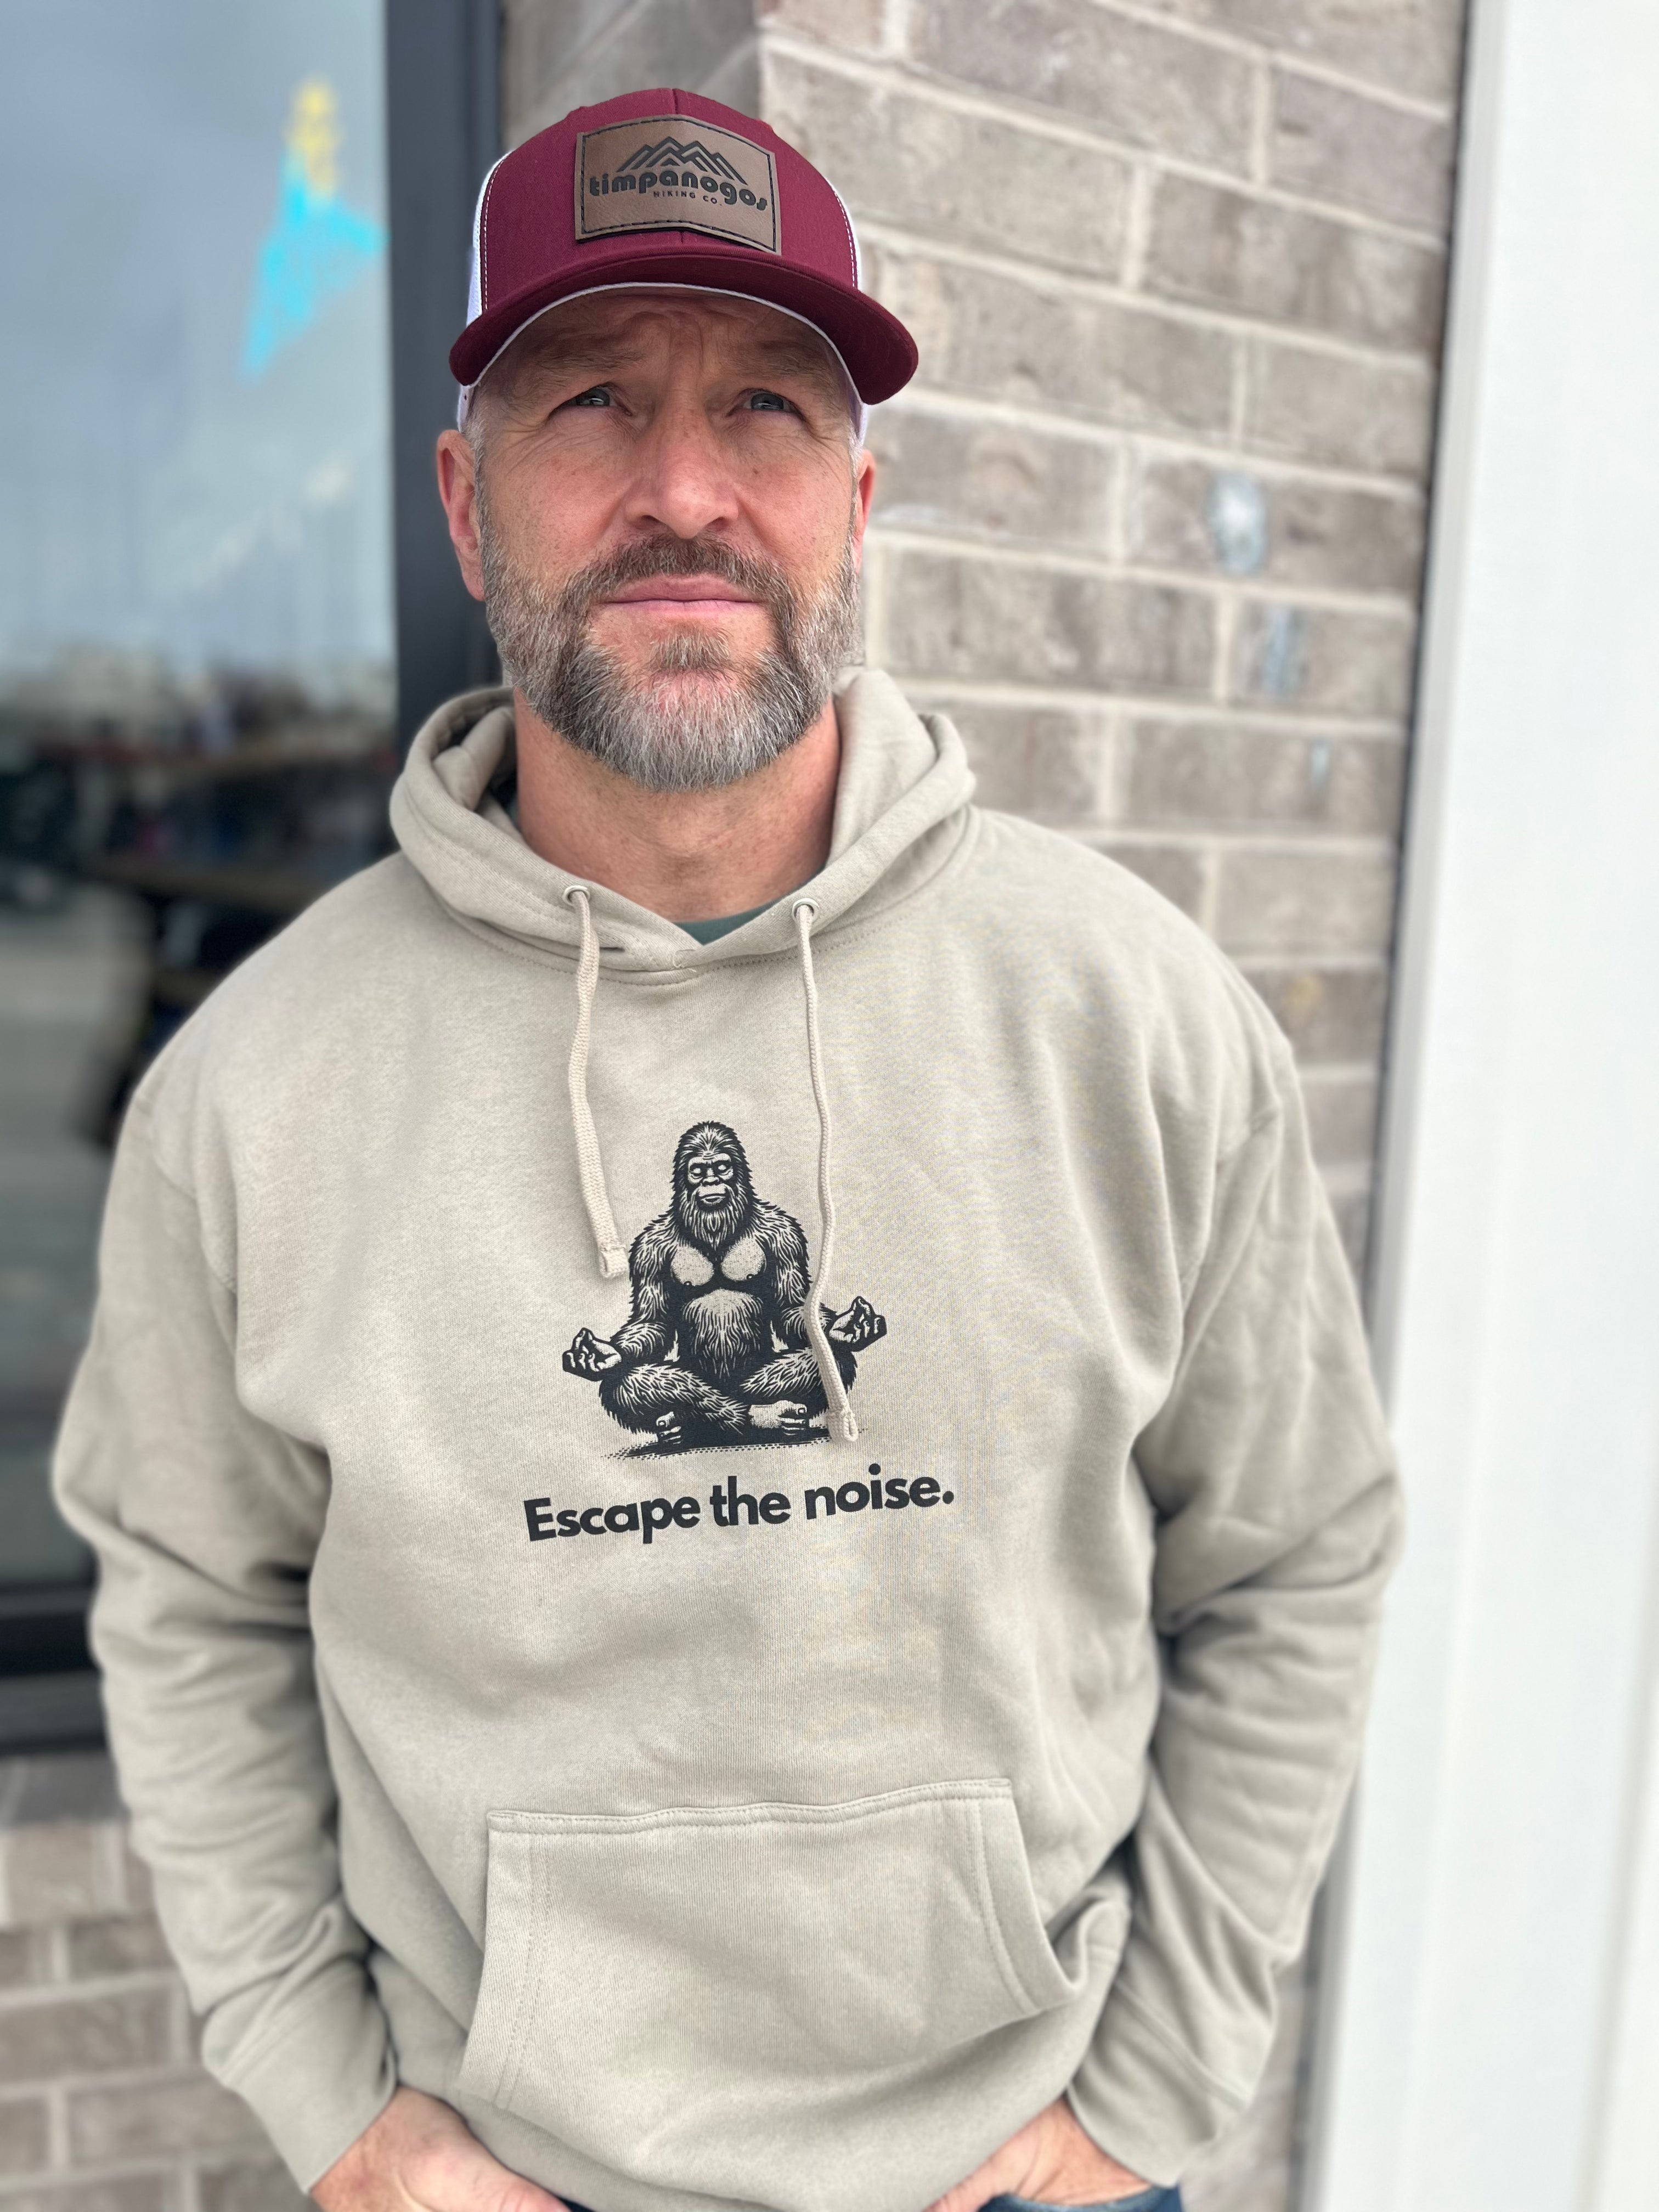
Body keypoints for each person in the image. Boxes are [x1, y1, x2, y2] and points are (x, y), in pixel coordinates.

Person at [54, 84, 1401, 2212]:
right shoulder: (255, 1089)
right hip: (509, 2178)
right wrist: (334, 2107)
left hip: (1023, 2169)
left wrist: (1149, 2094)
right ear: (463, 497)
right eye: (590, 403)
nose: (685, 491)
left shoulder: (1132, 1016)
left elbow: (1296, 1553)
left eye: (765, 412)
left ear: (858, 497)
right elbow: (195, 1605)